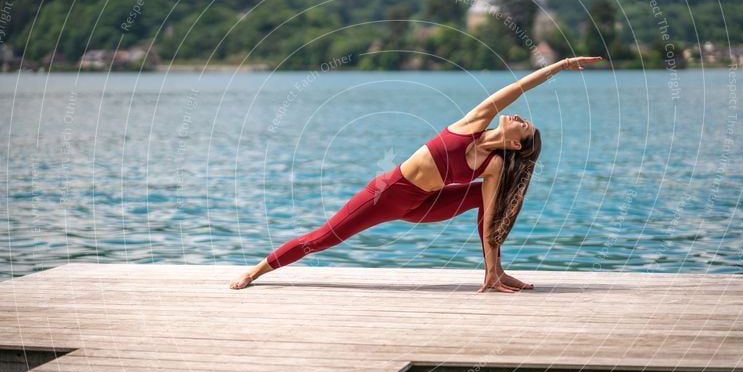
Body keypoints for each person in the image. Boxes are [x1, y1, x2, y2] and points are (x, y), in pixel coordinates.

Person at [229, 56, 603, 292]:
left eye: (524, 126)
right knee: (326, 237)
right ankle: (257, 271)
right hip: (389, 194)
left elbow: (490, 218)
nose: (519, 118)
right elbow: (516, 87)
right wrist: (561, 65)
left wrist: (493, 265)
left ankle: (495, 274)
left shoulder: (495, 165)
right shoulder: (473, 123)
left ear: (517, 146)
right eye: (522, 118)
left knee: (489, 204)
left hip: (427, 205)